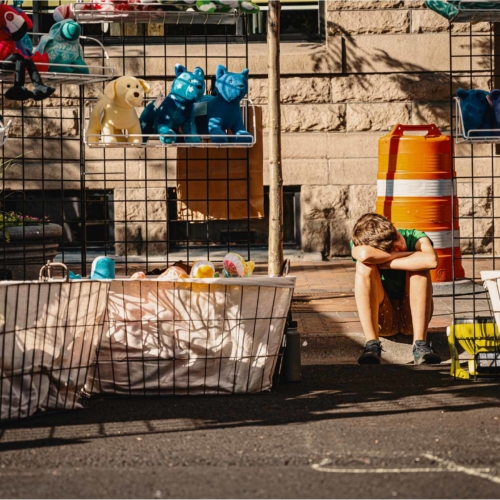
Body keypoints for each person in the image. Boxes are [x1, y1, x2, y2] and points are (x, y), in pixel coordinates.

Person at [350, 213, 441, 365]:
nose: (400, 245)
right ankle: (372, 345)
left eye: (397, 237)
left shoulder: (415, 236)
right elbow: (364, 255)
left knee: (420, 268)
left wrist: (387, 261)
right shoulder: (362, 241)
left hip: (412, 318)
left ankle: (420, 345)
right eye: (391, 249)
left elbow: (431, 260)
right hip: (383, 321)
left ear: (394, 228)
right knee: (364, 267)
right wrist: (410, 257)